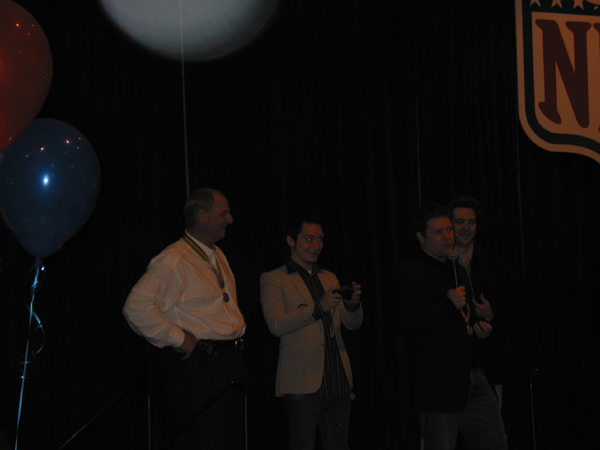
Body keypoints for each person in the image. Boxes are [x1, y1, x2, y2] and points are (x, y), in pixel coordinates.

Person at [123, 188, 247, 450]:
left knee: (231, 439)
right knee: (203, 440)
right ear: (202, 216)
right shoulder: (174, 260)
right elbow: (136, 308)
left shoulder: (216, 254)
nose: (230, 219)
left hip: (230, 362)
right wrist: (180, 338)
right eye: (223, 214)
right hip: (203, 366)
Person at [396, 203, 507, 450]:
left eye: (448, 230)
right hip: (439, 385)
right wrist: (447, 304)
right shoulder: (409, 272)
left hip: (473, 375)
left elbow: (463, 317)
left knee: (496, 443)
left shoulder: (456, 269)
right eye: (438, 232)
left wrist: (479, 326)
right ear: (421, 237)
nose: (447, 236)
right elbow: (409, 323)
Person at [260, 211, 363, 450]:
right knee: (302, 445)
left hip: (337, 378)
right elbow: (276, 324)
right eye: (308, 239)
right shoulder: (274, 278)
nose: (316, 246)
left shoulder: (329, 277)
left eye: (320, 239)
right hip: (302, 382)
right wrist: (318, 308)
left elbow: (352, 324)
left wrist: (352, 305)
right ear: (290, 240)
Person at [450, 195, 523, 410]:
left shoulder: (495, 267)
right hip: (451, 367)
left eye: (471, 222)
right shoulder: (439, 266)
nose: (465, 228)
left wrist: (492, 315)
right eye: (459, 222)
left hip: (489, 365)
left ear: (478, 226)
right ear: (449, 225)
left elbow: (517, 311)